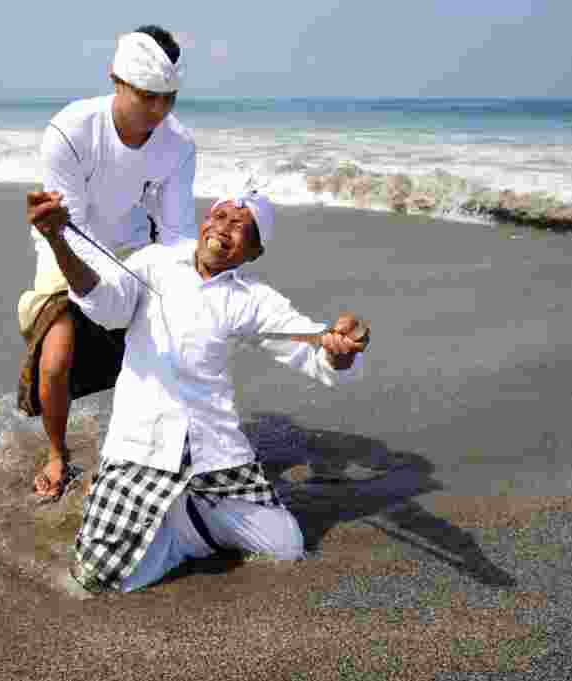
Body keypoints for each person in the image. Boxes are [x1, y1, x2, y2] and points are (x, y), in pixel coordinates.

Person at [27, 190, 371, 593]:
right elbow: (106, 305)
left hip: (215, 454)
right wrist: (57, 241)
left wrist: (341, 348)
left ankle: (185, 521)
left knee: (286, 546)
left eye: (240, 226)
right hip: (142, 448)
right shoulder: (154, 261)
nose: (223, 227)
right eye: (219, 215)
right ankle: (169, 528)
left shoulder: (254, 298)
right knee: (98, 580)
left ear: (255, 252)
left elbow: (314, 351)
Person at [18, 25, 198, 502]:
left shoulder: (179, 145)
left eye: (169, 98)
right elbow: (73, 229)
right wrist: (112, 299)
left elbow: (179, 233)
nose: (158, 111)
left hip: (137, 250)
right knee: (56, 359)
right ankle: (57, 453)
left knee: (162, 352)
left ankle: (146, 450)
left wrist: (188, 290)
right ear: (115, 80)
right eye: (147, 96)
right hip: (68, 246)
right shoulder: (70, 131)